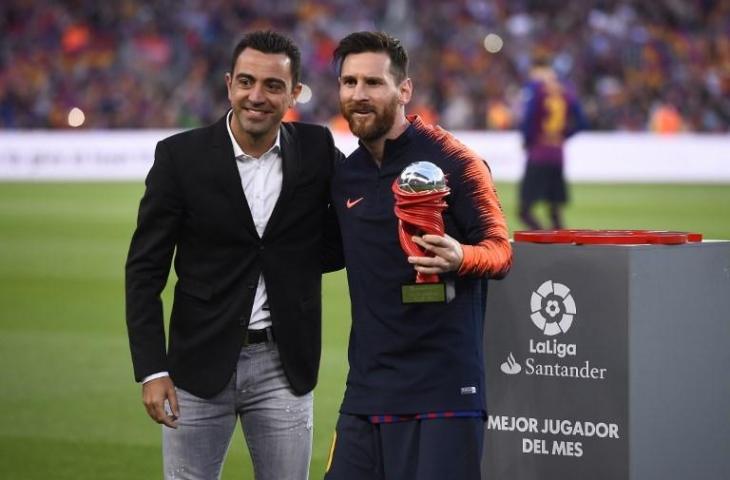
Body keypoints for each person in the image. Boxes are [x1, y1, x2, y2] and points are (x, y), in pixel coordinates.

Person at [125, 30, 342, 480]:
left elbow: (355, 222)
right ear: (228, 85)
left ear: (295, 92)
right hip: (196, 370)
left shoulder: (319, 150)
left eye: (273, 85)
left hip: (284, 366)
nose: (256, 96)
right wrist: (150, 370)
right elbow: (145, 270)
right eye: (246, 82)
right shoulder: (178, 157)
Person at [325, 31, 513, 480]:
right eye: (349, 83)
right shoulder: (345, 175)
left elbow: (501, 250)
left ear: (404, 90)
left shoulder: (455, 160)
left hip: (444, 391)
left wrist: (460, 256)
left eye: (373, 83)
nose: (358, 95)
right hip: (367, 391)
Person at [518, 63, 587, 230]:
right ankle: (562, 246)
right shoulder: (567, 92)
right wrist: (563, 136)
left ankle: (542, 238)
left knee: (524, 211)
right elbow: (583, 122)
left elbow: (529, 118)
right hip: (557, 155)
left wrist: (528, 140)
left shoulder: (537, 90)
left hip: (539, 154)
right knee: (555, 211)